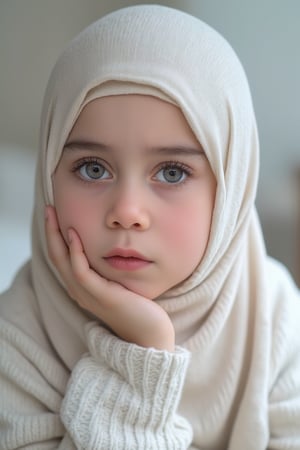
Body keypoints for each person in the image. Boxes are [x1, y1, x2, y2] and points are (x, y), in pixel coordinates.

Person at [0, 4, 299, 449]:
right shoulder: (18, 341)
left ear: (231, 189)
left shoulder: (279, 324)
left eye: (173, 172)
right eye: (93, 168)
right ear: (49, 176)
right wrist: (144, 351)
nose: (127, 211)